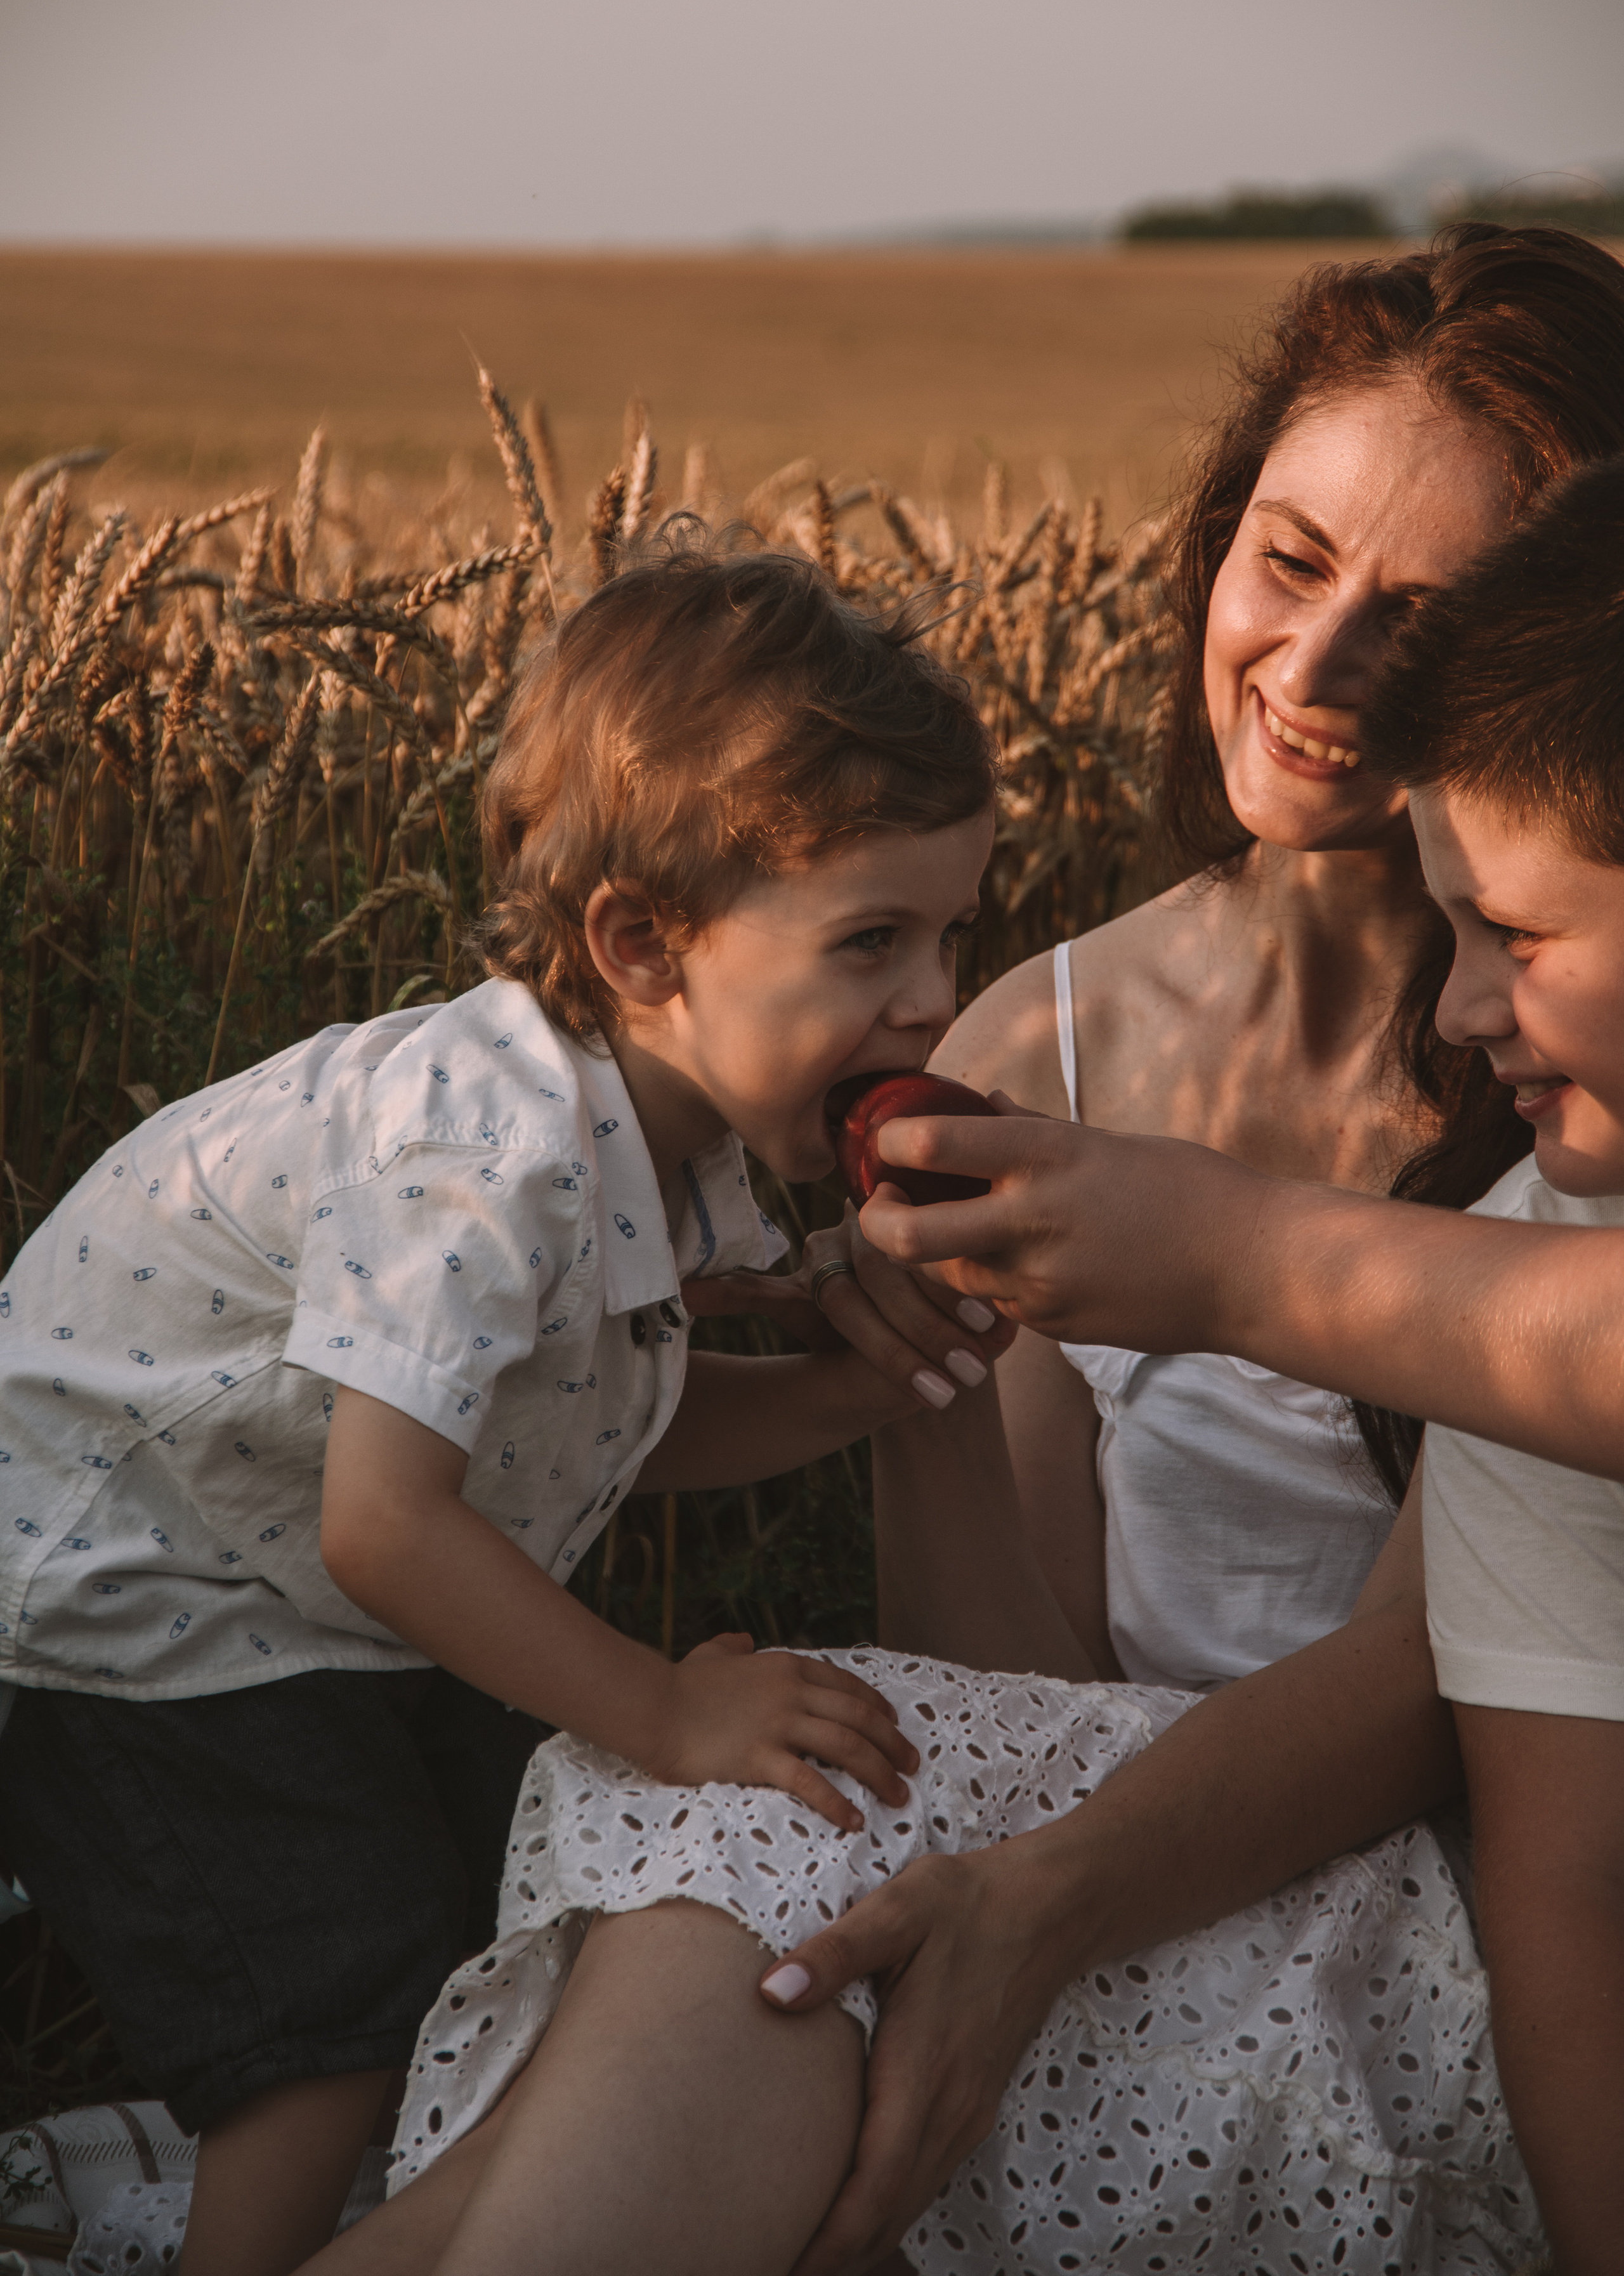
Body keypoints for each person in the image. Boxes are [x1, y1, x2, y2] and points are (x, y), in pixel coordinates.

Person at [294, 232, 1624, 2276]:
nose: (1323, 668)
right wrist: (900, 1382)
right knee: (781, 1878)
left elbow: (1440, 1700)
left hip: (1395, 1898)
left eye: (1428, 621)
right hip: (1094, 1822)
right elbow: (1014, 1689)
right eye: (1288, 560)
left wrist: (1031, 1897)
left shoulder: (1571, 1097)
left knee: (755, 1914)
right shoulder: (1031, 1039)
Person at [0, 544, 1015, 2276]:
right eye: (871, 941)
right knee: (331, 2028)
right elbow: (386, 1522)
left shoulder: (676, 1147)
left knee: (503, 1936)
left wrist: (861, 1380)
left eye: (947, 935)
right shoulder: (490, 1150)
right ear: (640, 944)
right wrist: (669, 1718)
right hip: (141, 1587)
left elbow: (606, 1432)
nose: (928, 998)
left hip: (289, 1591)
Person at [1357, 455, 1624, 2276]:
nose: (1459, 1007)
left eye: (1515, 936)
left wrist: (1232, 1263)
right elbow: (1569, 1894)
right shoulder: (1534, 1240)